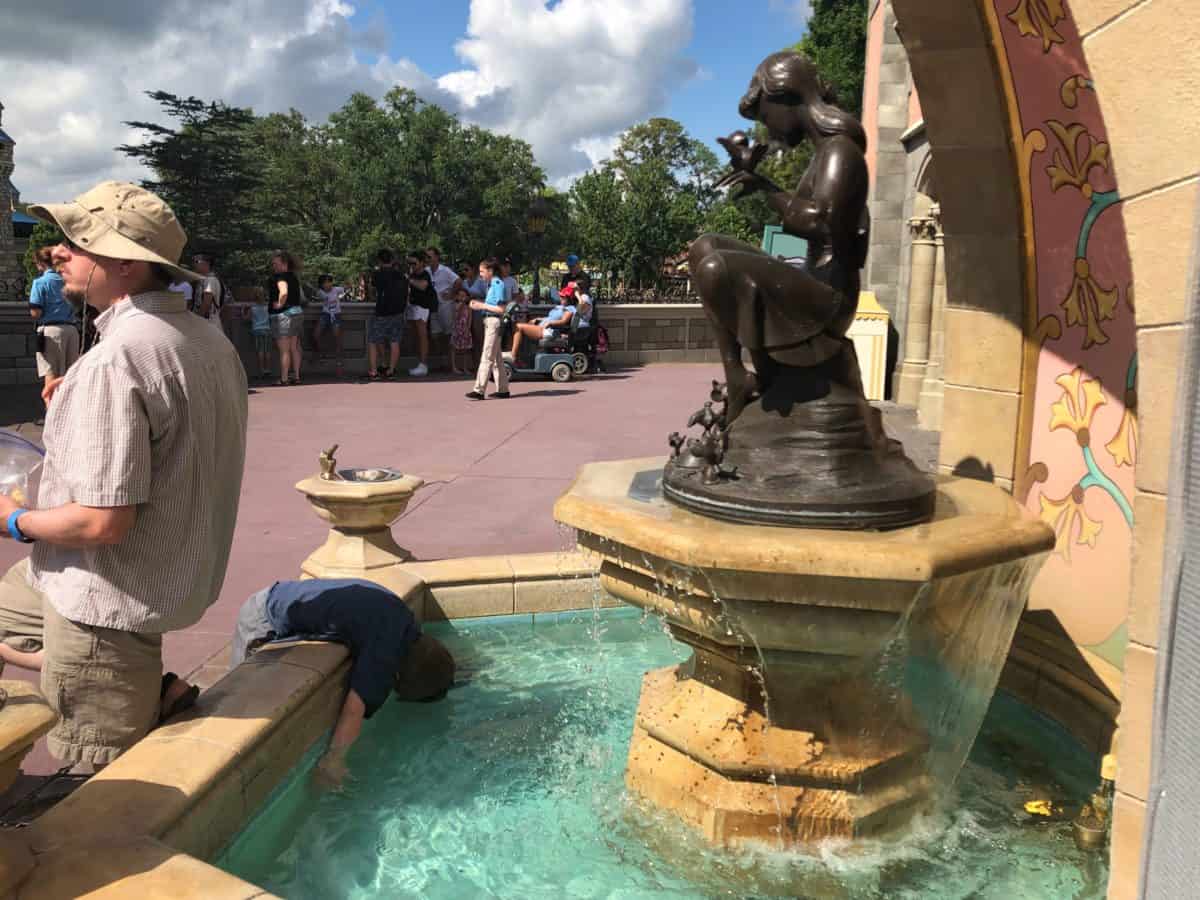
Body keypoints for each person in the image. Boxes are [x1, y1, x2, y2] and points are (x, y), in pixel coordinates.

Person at [0, 180, 248, 767]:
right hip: (164, 574)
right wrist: (82, 403)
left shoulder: (118, 358)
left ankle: (131, 698)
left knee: (102, 786)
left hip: (104, 595)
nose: (59, 251)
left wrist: (13, 520)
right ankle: (142, 688)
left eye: (76, 241)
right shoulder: (204, 340)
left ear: (127, 266)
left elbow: (101, 524)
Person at [225, 578, 454, 787]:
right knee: (238, 704)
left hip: (282, 593)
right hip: (262, 617)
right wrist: (333, 760)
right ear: (398, 676)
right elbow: (354, 709)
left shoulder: (405, 623)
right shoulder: (386, 648)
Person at [28, 246, 80, 407]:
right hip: (72, 330)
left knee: (51, 374)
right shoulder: (66, 280)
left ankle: (53, 416)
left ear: (40, 264)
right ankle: (71, 411)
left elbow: (35, 312)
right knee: (71, 375)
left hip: (51, 331)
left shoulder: (40, 283)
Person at [466, 257, 510, 401]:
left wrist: (481, 306)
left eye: (482, 271)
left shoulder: (497, 284)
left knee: (487, 356)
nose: (480, 274)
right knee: (496, 358)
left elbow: (500, 308)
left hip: (493, 321)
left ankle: (479, 389)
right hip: (492, 321)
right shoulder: (493, 284)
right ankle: (503, 389)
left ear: (490, 271)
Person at [509, 284, 575, 362]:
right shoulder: (559, 307)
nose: (561, 298)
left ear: (569, 299)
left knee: (519, 327)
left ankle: (513, 356)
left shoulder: (570, 308)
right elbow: (549, 317)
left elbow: (563, 321)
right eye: (561, 296)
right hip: (543, 327)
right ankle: (520, 357)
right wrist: (537, 319)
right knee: (513, 327)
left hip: (549, 330)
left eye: (563, 297)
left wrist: (550, 323)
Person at [267, 250, 304, 386]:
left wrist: (279, 304)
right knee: (294, 347)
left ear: (284, 263)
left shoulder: (280, 277)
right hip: (297, 313)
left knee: (284, 350)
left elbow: (283, 292)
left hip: (284, 316)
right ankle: (297, 376)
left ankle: (284, 379)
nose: (274, 266)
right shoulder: (293, 277)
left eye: (276, 264)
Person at [368, 249, 407, 379]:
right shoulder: (400, 275)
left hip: (381, 311)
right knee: (394, 341)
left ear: (379, 260)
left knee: (373, 340)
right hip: (398, 312)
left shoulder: (377, 274)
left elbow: (372, 291)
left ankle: (374, 371)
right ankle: (391, 370)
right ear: (392, 260)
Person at [426, 247, 460, 371]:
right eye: (426, 257)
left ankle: (452, 364)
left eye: (430, 256)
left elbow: (458, 281)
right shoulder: (426, 271)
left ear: (436, 257)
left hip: (446, 306)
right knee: (435, 335)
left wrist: (451, 293)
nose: (428, 259)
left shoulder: (445, 271)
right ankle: (443, 360)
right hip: (433, 307)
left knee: (449, 334)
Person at [406, 252, 437, 377]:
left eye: (414, 263)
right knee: (416, 336)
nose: (412, 266)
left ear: (421, 263)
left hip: (423, 307)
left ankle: (423, 365)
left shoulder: (425, 274)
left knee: (422, 336)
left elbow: (423, 286)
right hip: (413, 306)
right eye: (410, 263)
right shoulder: (413, 274)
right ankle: (420, 363)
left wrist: (409, 279)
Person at [313, 274, 345, 376]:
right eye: (325, 282)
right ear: (322, 284)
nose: (328, 284)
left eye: (329, 281)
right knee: (315, 334)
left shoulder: (337, 289)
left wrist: (346, 289)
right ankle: (321, 353)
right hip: (325, 314)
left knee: (337, 338)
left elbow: (344, 288)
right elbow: (322, 296)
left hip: (336, 315)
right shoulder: (320, 292)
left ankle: (339, 364)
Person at [459, 261, 488, 370]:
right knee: (469, 338)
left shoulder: (480, 282)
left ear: (473, 270)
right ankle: (474, 364)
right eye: (463, 270)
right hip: (466, 311)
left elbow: (486, 296)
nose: (465, 272)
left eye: (467, 269)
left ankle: (482, 364)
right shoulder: (464, 282)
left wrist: (473, 298)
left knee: (479, 337)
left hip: (478, 312)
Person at [191, 253, 224, 329]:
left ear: (207, 263)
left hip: (209, 322)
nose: (194, 264)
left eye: (197, 261)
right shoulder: (203, 280)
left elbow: (206, 303)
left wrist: (197, 320)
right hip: (206, 321)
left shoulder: (210, 280)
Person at [449, 285, 473, 375]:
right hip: (457, 328)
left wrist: (468, 328)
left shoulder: (469, 307)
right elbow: (456, 315)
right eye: (460, 295)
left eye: (464, 296)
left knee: (465, 349)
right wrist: (461, 304)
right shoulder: (455, 305)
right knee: (454, 348)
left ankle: (465, 367)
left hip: (465, 329)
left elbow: (470, 318)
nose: (462, 297)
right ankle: (454, 367)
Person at [249, 292, 273, 380]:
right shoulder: (268, 307)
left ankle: (262, 370)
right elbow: (271, 317)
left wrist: (243, 311)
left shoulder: (253, 308)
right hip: (267, 329)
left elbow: (246, 317)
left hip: (257, 329)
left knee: (260, 350)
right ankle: (268, 369)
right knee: (267, 351)